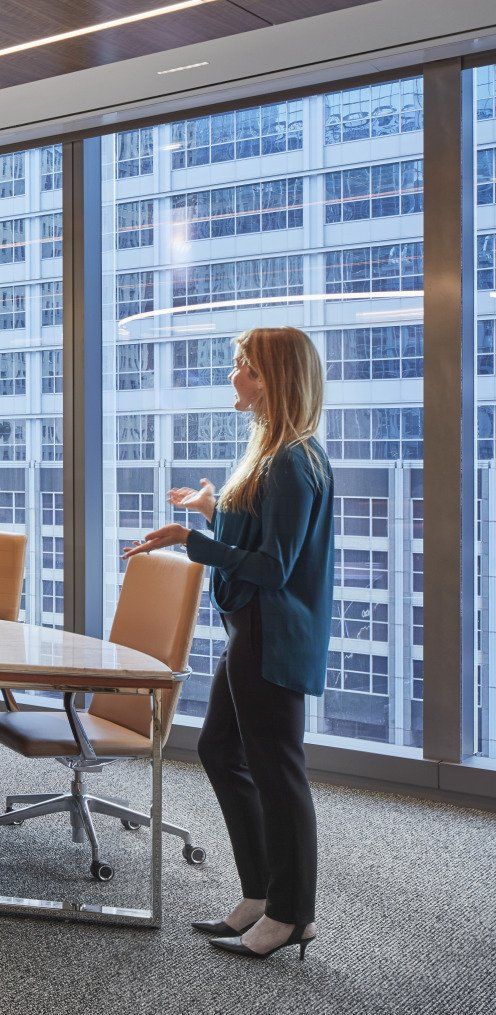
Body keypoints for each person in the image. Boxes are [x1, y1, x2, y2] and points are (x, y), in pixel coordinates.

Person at [123, 326, 333, 961]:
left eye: (243, 368)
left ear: (273, 378)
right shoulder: (271, 454)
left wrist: (194, 540)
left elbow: (272, 565)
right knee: (220, 749)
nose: (234, 378)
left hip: (274, 633)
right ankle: (262, 894)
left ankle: (293, 913)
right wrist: (215, 513)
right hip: (252, 630)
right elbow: (263, 538)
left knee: (279, 772)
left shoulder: (295, 460)